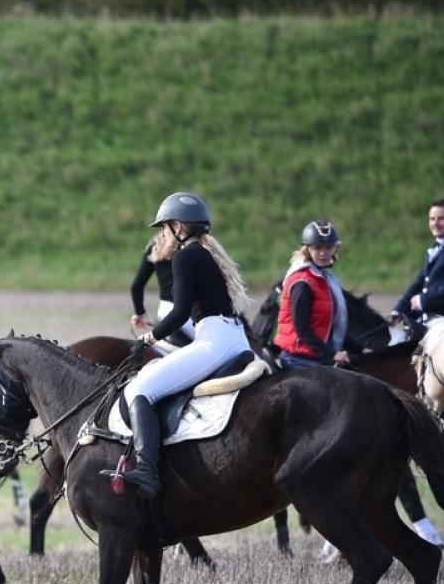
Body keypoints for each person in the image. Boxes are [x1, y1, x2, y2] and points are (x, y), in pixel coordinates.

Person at [115, 192, 256, 499]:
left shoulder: (184, 256)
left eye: (166, 227)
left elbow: (179, 314)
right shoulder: (207, 253)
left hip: (213, 341)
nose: (164, 233)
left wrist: (148, 338)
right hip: (234, 338)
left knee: (140, 389)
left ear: (178, 226)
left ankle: (147, 472)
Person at [274, 221, 350, 370]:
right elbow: (301, 328)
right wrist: (331, 354)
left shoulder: (324, 278)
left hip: (318, 357)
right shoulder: (303, 283)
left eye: (328, 248)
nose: (324, 253)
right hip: (299, 361)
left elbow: (332, 327)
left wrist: (362, 349)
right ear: (307, 249)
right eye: (318, 248)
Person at [391, 198, 444, 325]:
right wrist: (397, 312)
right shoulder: (434, 247)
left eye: (441, 218)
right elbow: (419, 283)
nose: (435, 223)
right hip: (433, 322)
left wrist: (423, 300)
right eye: (432, 219)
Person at [130, 236, 196, 355]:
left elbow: (136, 287)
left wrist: (140, 313)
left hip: (163, 315)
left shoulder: (154, 247)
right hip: (186, 316)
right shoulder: (194, 248)